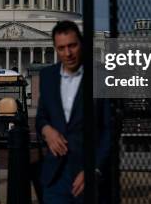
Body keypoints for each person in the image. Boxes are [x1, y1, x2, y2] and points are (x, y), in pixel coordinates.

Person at [36, 20, 111, 203]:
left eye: (72, 46)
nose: (67, 53)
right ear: (55, 48)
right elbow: (41, 117)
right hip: (55, 176)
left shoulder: (103, 75)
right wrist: (47, 130)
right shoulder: (47, 76)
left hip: (88, 175)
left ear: (82, 44)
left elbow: (111, 128)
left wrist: (95, 169)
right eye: (61, 48)